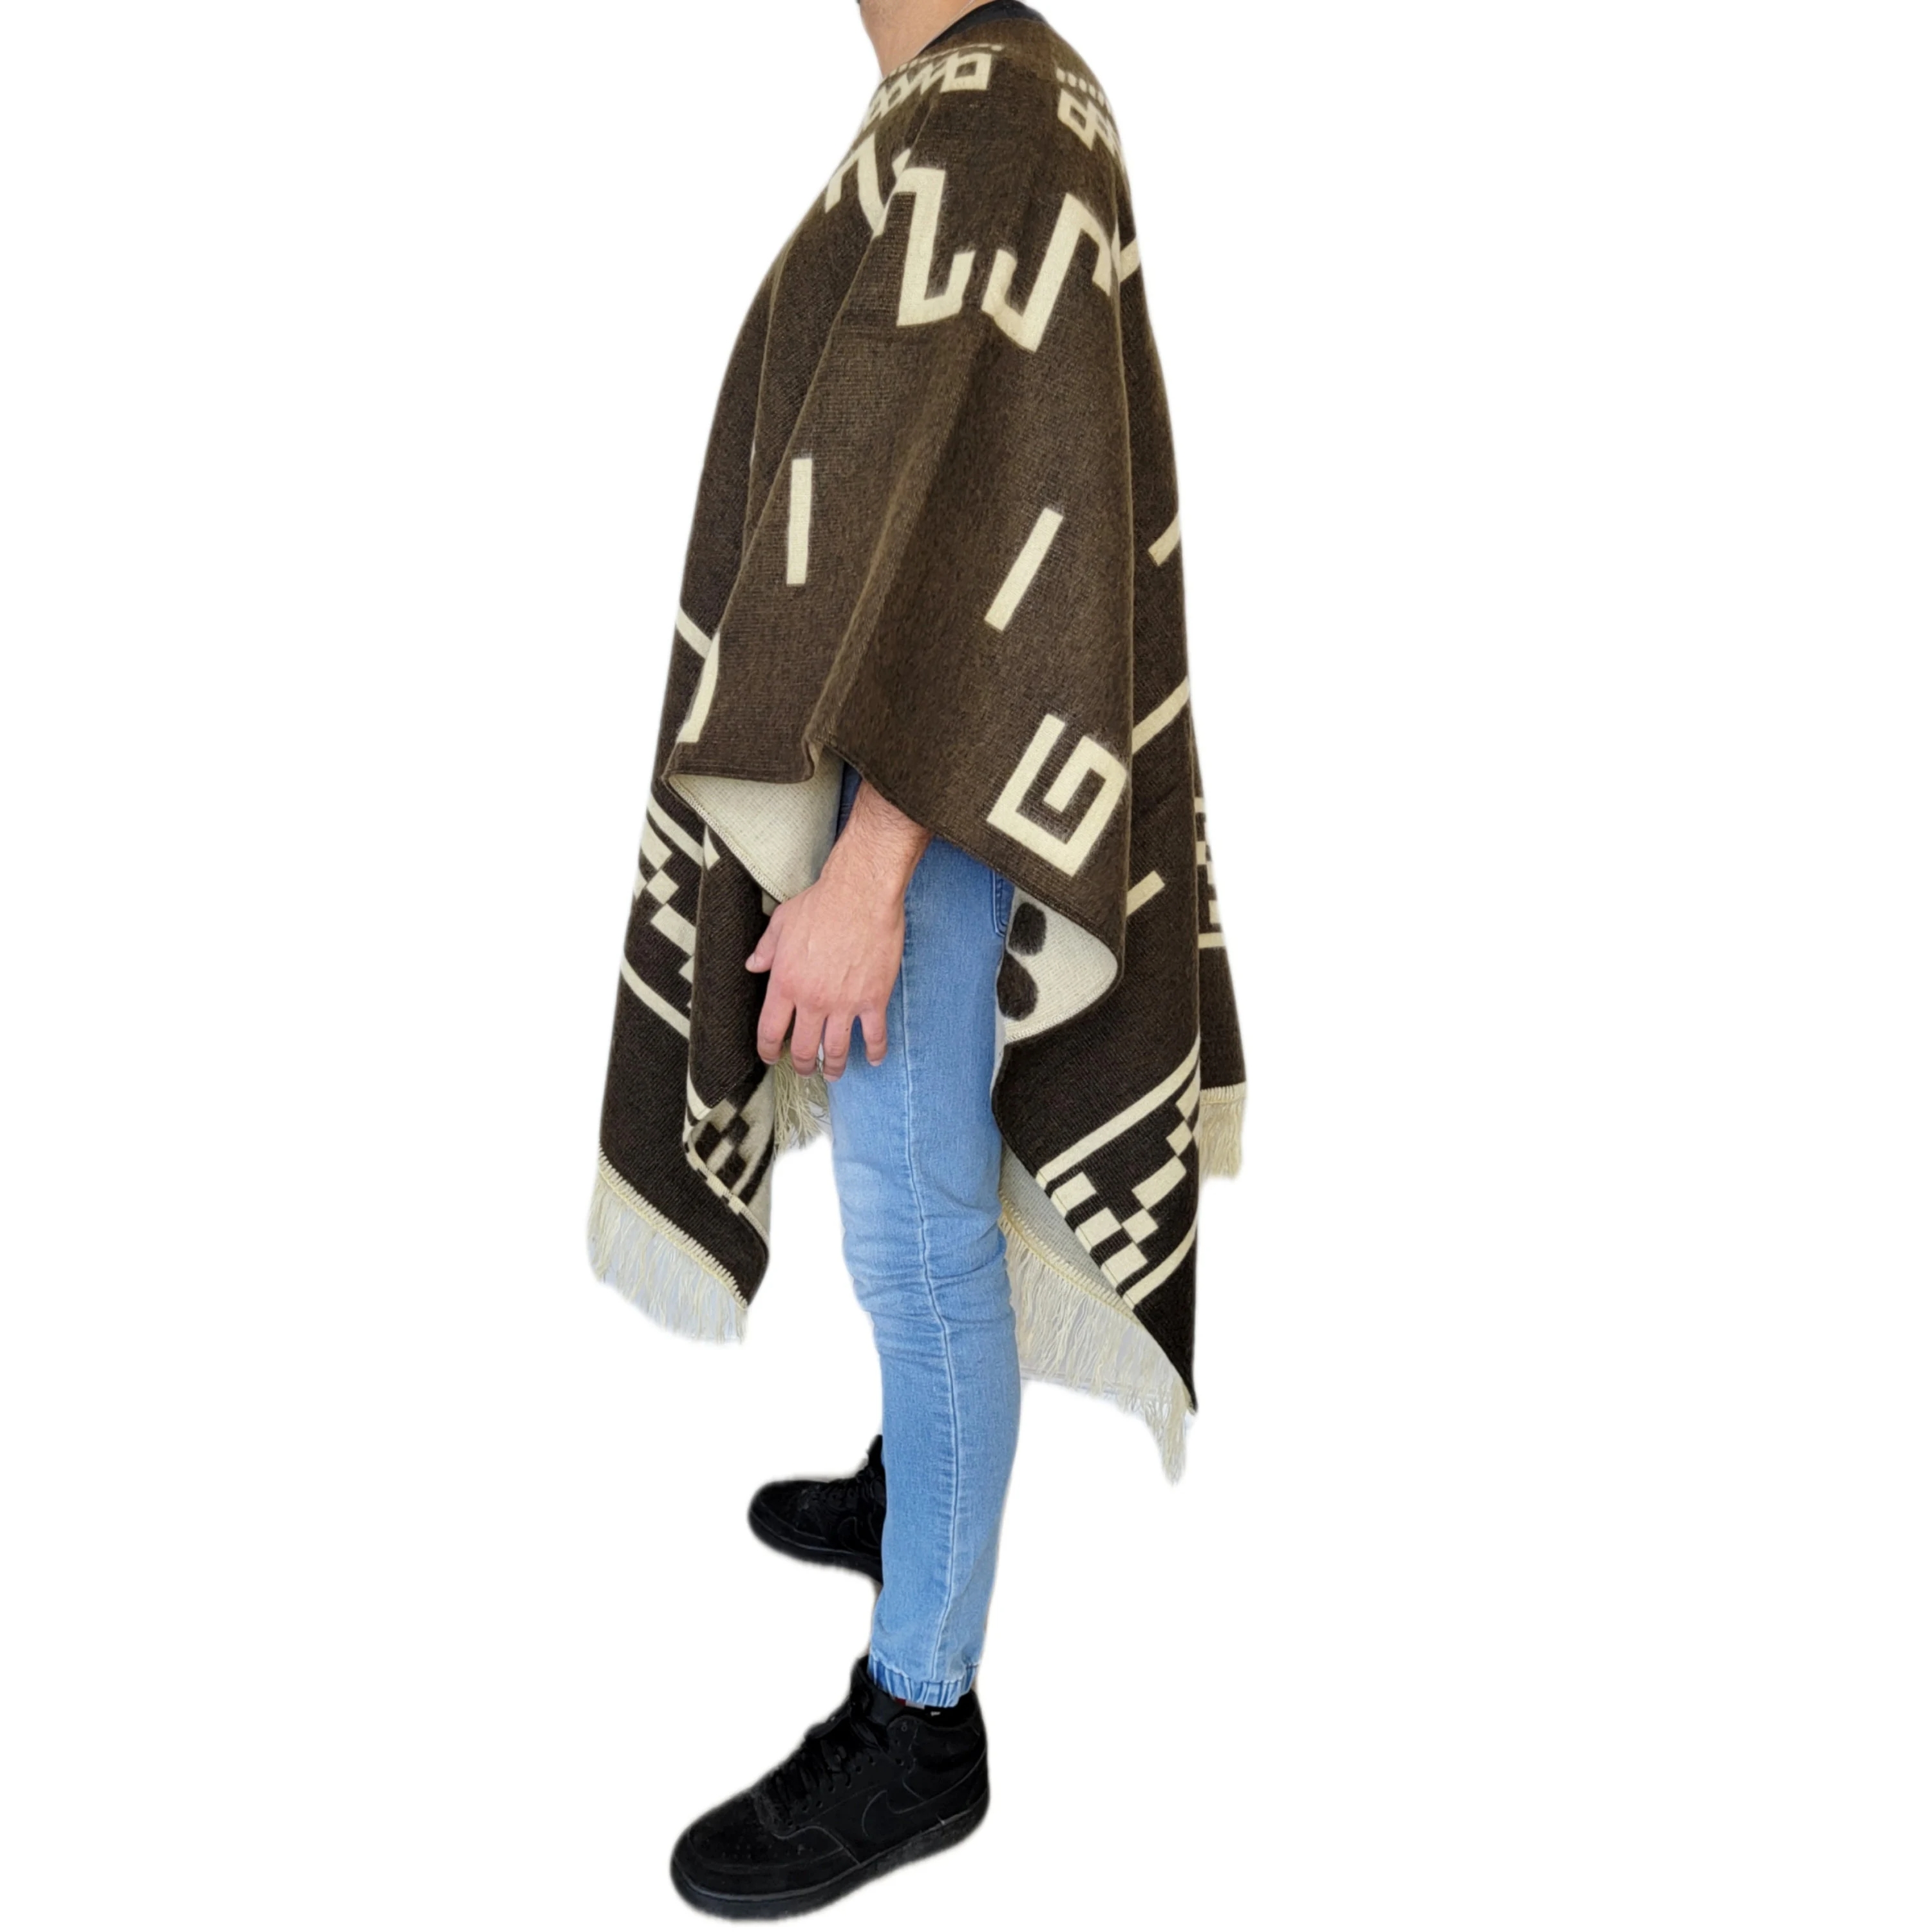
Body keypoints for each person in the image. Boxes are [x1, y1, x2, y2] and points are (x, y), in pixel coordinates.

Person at [587, 0, 1245, 1913]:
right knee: (919, 1200)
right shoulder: (974, 95)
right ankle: (919, 1482)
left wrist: (870, 863)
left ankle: (920, 1721)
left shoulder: (997, 110)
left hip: (938, 795)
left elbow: (992, 541)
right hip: (933, 775)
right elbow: (936, 490)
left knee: (915, 1223)